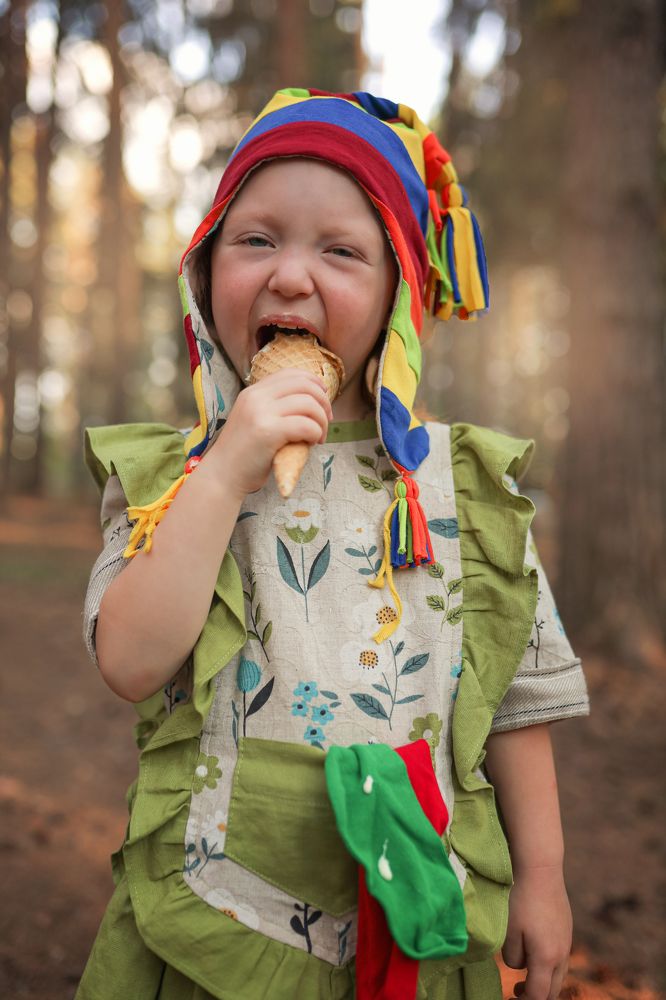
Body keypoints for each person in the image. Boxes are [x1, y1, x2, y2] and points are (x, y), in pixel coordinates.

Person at [78, 89, 589, 1000]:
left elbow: (517, 700)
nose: (289, 275)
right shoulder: (171, 479)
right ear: (205, 271)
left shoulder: (461, 487)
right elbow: (129, 659)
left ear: (399, 295)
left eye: (341, 251)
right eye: (256, 239)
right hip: (218, 920)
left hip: (417, 915)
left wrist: (543, 877)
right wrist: (225, 470)